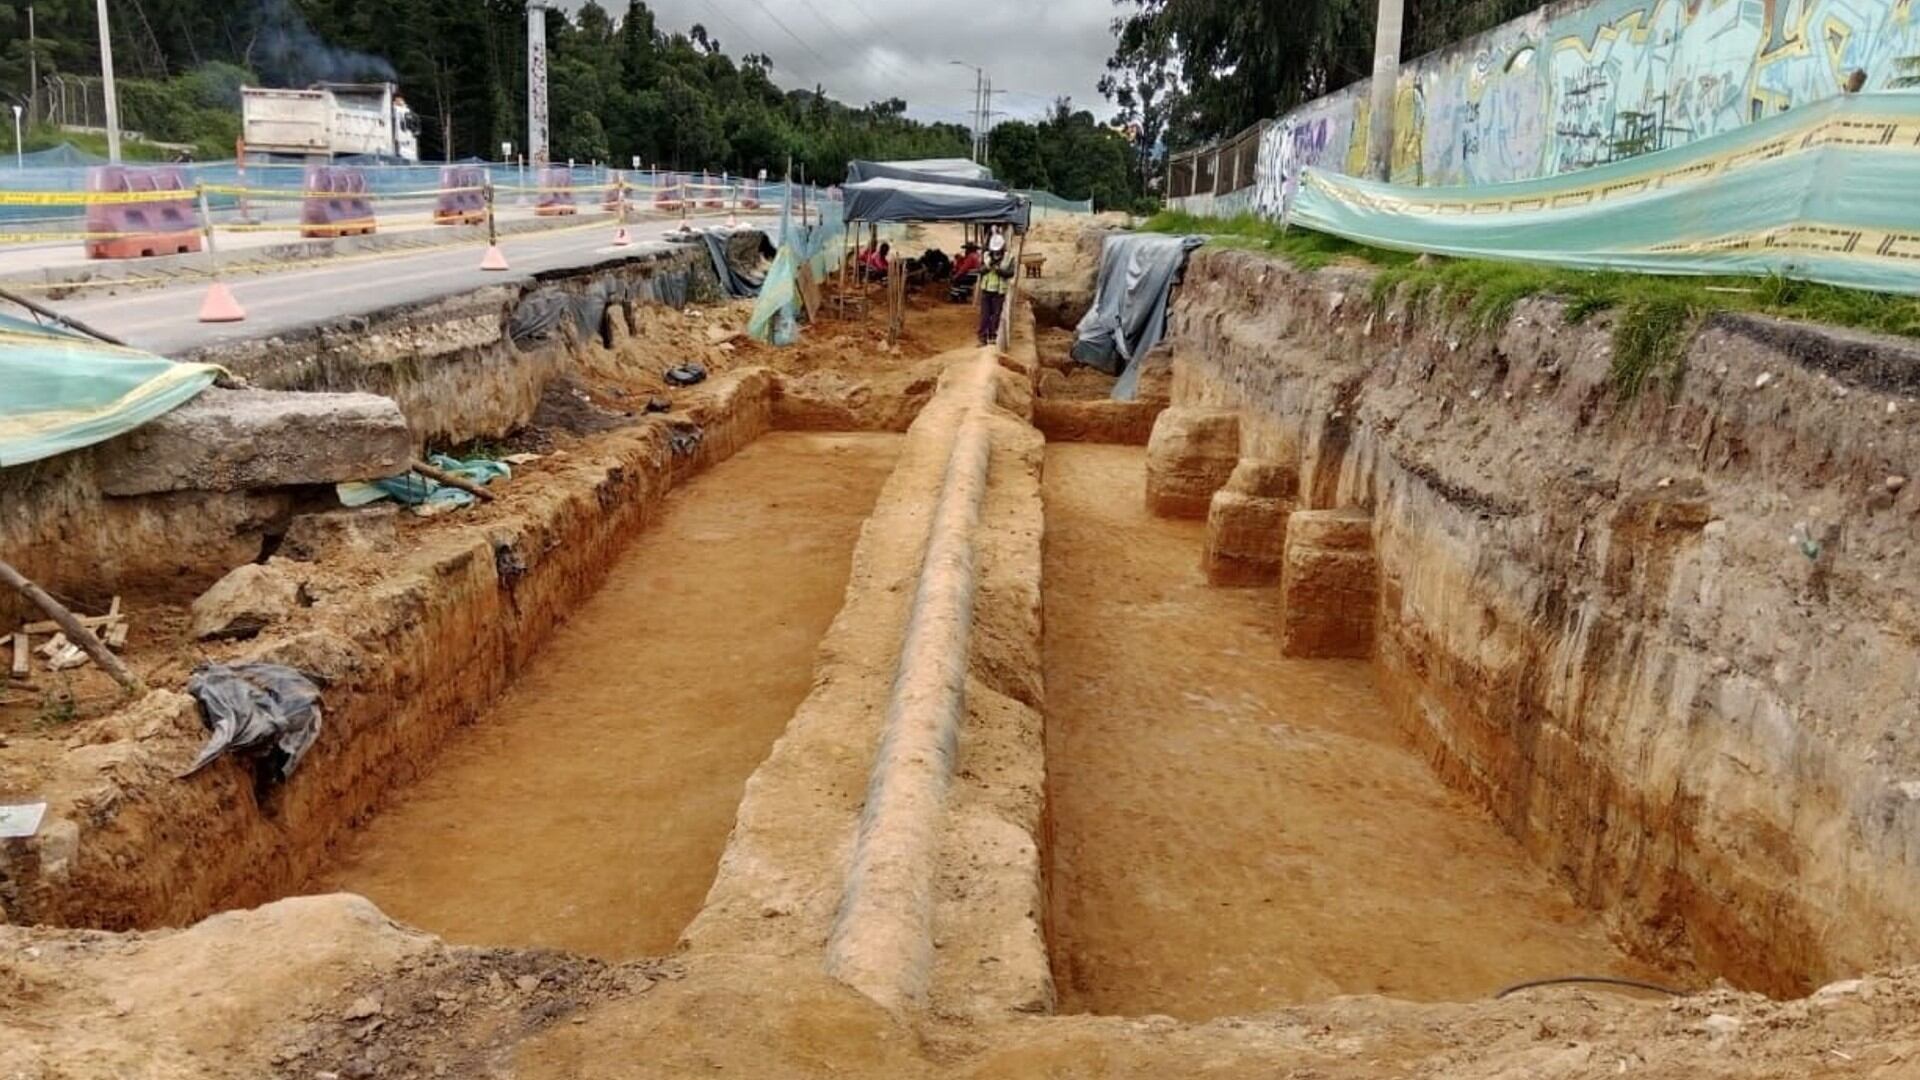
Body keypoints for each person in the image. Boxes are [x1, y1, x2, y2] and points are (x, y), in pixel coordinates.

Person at [977, 249, 1011, 345]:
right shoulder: (986, 256)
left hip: (999, 291)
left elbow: (1010, 273)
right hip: (986, 290)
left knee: (996, 315)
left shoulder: (1008, 258)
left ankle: (992, 335)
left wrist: (999, 271)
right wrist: (988, 267)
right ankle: (983, 337)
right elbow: (980, 270)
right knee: (985, 315)